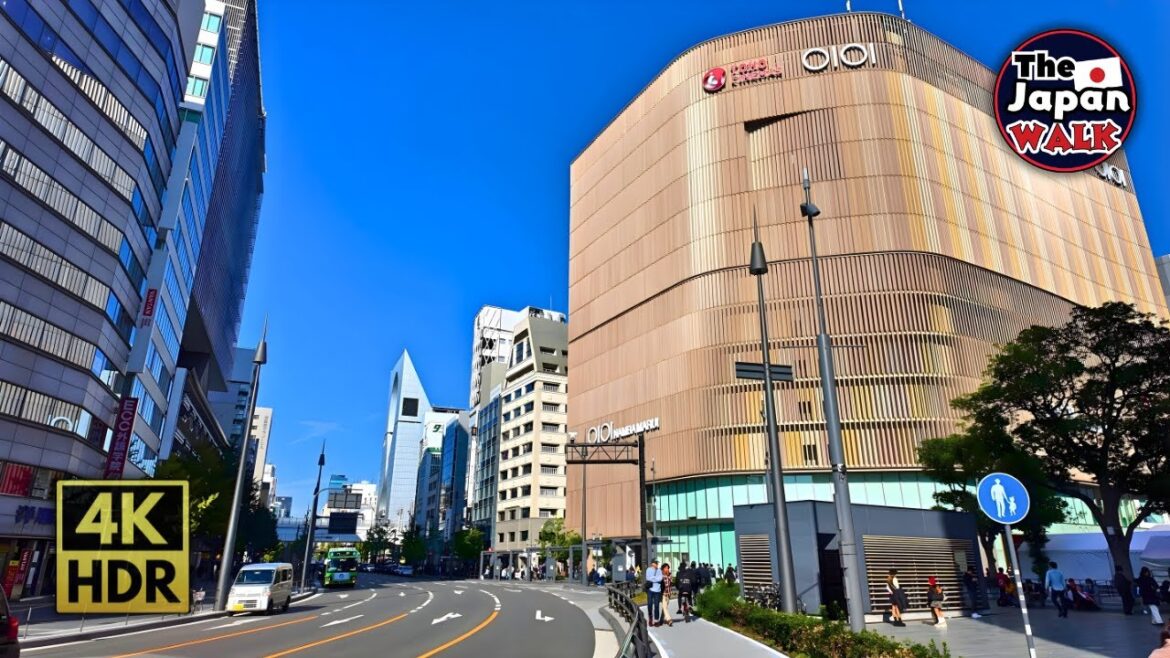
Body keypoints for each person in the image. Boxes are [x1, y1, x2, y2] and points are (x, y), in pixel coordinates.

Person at [645, 559, 664, 627]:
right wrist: (656, 578)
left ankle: (656, 620)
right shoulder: (648, 570)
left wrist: (653, 578)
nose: (657, 564)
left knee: (656, 605)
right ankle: (650, 617)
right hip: (650, 590)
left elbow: (661, 578)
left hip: (657, 590)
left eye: (657, 563)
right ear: (652, 563)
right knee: (649, 604)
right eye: (656, 563)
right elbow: (648, 578)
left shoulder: (659, 570)